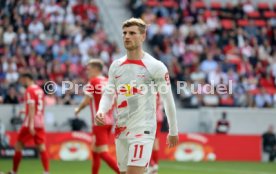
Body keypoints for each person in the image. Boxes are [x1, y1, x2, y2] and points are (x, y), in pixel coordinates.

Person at [95, 18, 179, 174]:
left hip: (143, 129)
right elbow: (108, 94)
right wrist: (101, 110)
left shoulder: (155, 66)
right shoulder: (116, 65)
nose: (127, 36)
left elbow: (168, 101)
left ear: (143, 36)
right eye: (125, 33)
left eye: (132, 33)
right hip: (121, 129)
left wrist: (173, 131)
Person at [75, 59, 120, 174]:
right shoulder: (109, 82)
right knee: (95, 150)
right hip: (110, 121)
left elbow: (86, 101)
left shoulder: (93, 82)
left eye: (89, 69)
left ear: (96, 69)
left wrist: (78, 110)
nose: (87, 71)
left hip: (99, 122)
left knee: (102, 153)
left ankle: (122, 172)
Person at [8, 73, 49, 174]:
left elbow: (31, 106)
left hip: (30, 122)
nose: (21, 82)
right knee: (41, 147)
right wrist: (25, 110)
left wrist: (30, 124)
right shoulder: (39, 90)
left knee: (18, 145)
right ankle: (46, 172)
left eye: (22, 80)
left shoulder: (29, 90)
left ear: (27, 79)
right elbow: (42, 105)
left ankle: (14, 171)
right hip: (40, 122)